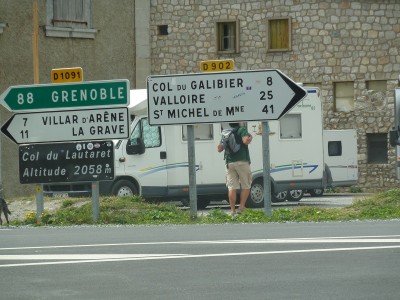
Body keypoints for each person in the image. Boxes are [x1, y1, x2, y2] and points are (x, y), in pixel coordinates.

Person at [217, 122, 253, 216]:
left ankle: (232, 211)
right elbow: (245, 141)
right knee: (246, 185)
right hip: (242, 161)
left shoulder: (226, 133)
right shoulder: (242, 130)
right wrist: (250, 137)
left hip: (229, 163)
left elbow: (220, 149)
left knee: (232, 187)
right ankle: (241, 207)